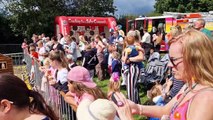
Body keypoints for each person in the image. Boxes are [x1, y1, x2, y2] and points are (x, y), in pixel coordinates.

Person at [113, 29, 213, 120]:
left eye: (173, 60)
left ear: (195, 59)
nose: (169, 64)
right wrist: (137, 108)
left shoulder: (206, 98)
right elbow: (166, 110)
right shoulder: (192, 84)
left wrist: (127, 118)